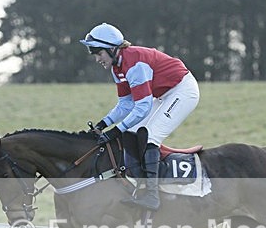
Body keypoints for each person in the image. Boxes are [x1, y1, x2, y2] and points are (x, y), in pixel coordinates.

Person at [80, 23, 200, 210]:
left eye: (98, 53)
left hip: (183, 91)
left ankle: (153, 196)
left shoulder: (134, 64)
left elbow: (142, 107)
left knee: (150, 135)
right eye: (94, 54)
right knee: (131, 132)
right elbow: (126, 104)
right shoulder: (117, 68)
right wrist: (103, 124)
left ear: (112, 49)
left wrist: (115, 131)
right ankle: (141, 187)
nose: (97, 59)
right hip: (163, 94)